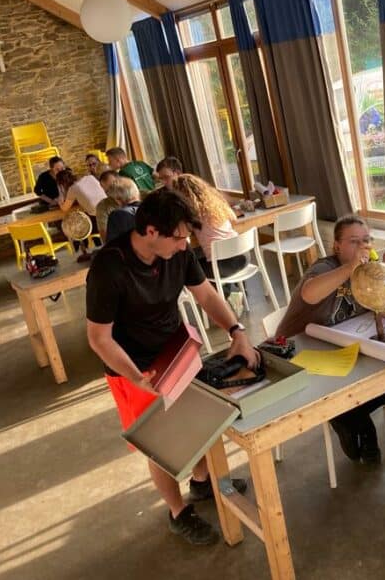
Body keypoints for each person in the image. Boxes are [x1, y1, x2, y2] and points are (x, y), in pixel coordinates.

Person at [85, 188, 258, 546]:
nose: (184, 246)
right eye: (178, 238)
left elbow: (206, 294)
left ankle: (202, 481)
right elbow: (99, 338)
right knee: (161, 444)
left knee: (197, 420)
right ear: (151, 231)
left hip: (176, 349)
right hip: (133, 367)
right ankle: (178, 512)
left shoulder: (177, 252)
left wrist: (237, 331)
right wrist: (136, 377)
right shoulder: (109, 267)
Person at [275, 215, 385, 465]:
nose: (362, 247)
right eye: (354, 241)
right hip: (298, 352)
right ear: (337, 246)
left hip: (340, 351)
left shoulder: (368, 272)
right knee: (347, 388)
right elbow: (309, 293)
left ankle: (346, 416)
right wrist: (349, 268)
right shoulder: (325, 268)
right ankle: (361, 425)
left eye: (366, 240)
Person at [168, 174, 245, 297]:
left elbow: (180, 231)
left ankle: (222, 297)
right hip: (243, 256)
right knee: (209, 257)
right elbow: (234, 217)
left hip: (223, 265)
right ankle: (230, 293)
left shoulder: (192, 212)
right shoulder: (215, 202)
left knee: (190, 268)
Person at [104, 178, 142, 243]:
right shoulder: (153, 207)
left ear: (118, 199)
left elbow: (113, 245)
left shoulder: (118, 215)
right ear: (137, 192)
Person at [94, 170, 122, 242]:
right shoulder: (103, 206)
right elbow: (105, 237)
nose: (112, 193)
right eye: (107, 191)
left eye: (113, 187)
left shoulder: (139, 195)